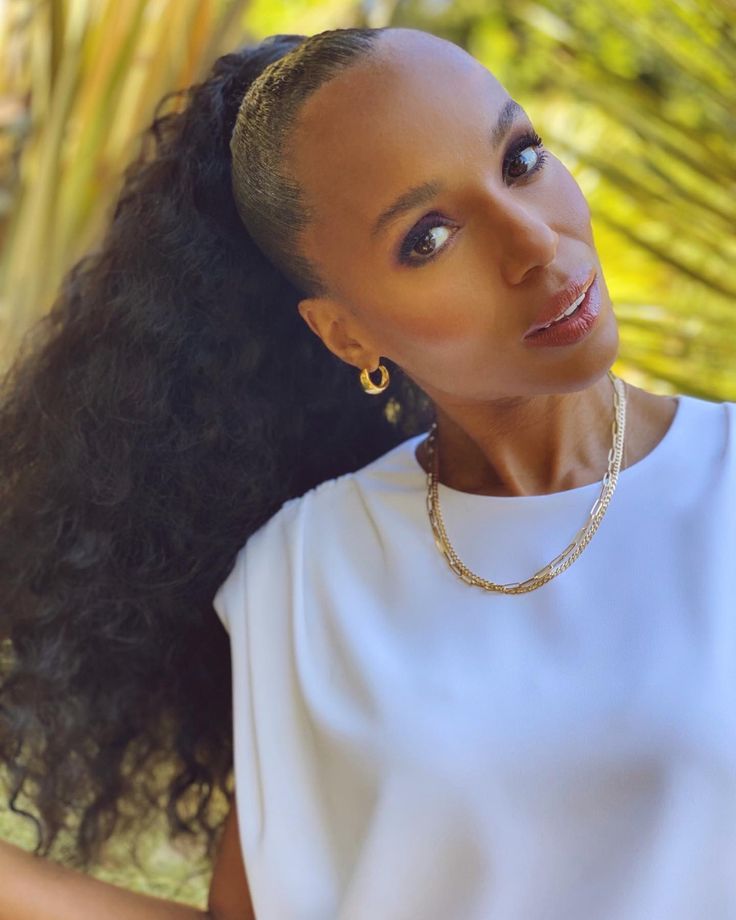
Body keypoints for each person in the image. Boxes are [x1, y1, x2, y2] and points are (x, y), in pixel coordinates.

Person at [0, 22, 734, 920]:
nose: (535, 245)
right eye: (428, 237)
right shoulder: (303, 574)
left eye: (521, 158)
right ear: (347, 334)